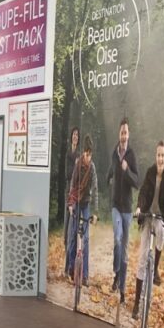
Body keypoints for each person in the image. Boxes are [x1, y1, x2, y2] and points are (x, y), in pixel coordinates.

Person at [132, 141, 164, 318]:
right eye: (158, 155)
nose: (160, 158)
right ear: (156, 156)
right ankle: (136, 305)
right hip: (147, 216)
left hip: (159, 217)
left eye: (163, 155)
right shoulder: (150, 172)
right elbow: (143, 192)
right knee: (142, 259)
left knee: (162, 234)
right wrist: (138, 208)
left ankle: (156, 268)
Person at [106, 117, 139, 302]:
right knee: (117, 239)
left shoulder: (131, 155)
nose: (124, 136)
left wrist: (127, 171)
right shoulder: (114, 153)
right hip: (115, 206)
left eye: (126, 132)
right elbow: (111, 170)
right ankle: (117, 272)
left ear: (129, 134)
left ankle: (122, 289)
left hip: (127, 209)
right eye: (122, 132)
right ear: (119, 134)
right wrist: (107, 179)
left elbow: (137, 181)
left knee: (124, 252)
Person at [65, 134, 98, 284]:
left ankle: (84, 275)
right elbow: (72, 186)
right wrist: (71, 205)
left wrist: (95, 213)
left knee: (85, 239)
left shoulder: (92, 169)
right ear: (83, 152)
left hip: (86, 204)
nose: (87, 156)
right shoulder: (78, 164)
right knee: (73, 236)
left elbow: (95, 190)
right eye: (86, 153)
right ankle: (72, 268)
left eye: (89, 154)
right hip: (76, 202)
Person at [63, 127, 80, 248]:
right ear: (71, 137)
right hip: (69, 188)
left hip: (76, 190)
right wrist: (75, 165)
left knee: (74, 217)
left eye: (77, 135)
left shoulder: (79, 154)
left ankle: (72, 245)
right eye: (74, 134)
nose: (75, 136)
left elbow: (79, 174)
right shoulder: (68, 154)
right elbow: (67, 174)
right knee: (67, 217)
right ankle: (65, 243)